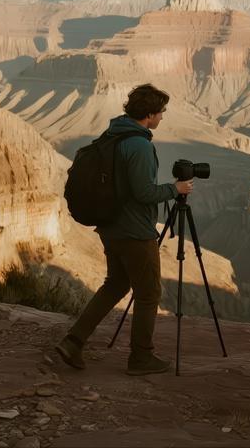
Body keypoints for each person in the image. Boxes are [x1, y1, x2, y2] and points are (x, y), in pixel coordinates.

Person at [54, 84, 194, 376]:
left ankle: (73, 342)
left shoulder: (113, 134)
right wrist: (176, 189)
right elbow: (144, 193)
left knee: (116, 284)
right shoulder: (139, 145)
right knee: (148, 294)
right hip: (134, 231)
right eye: (161, 112)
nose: (162, 117)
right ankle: (141, 358)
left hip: (110, 226)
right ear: (150, 114)